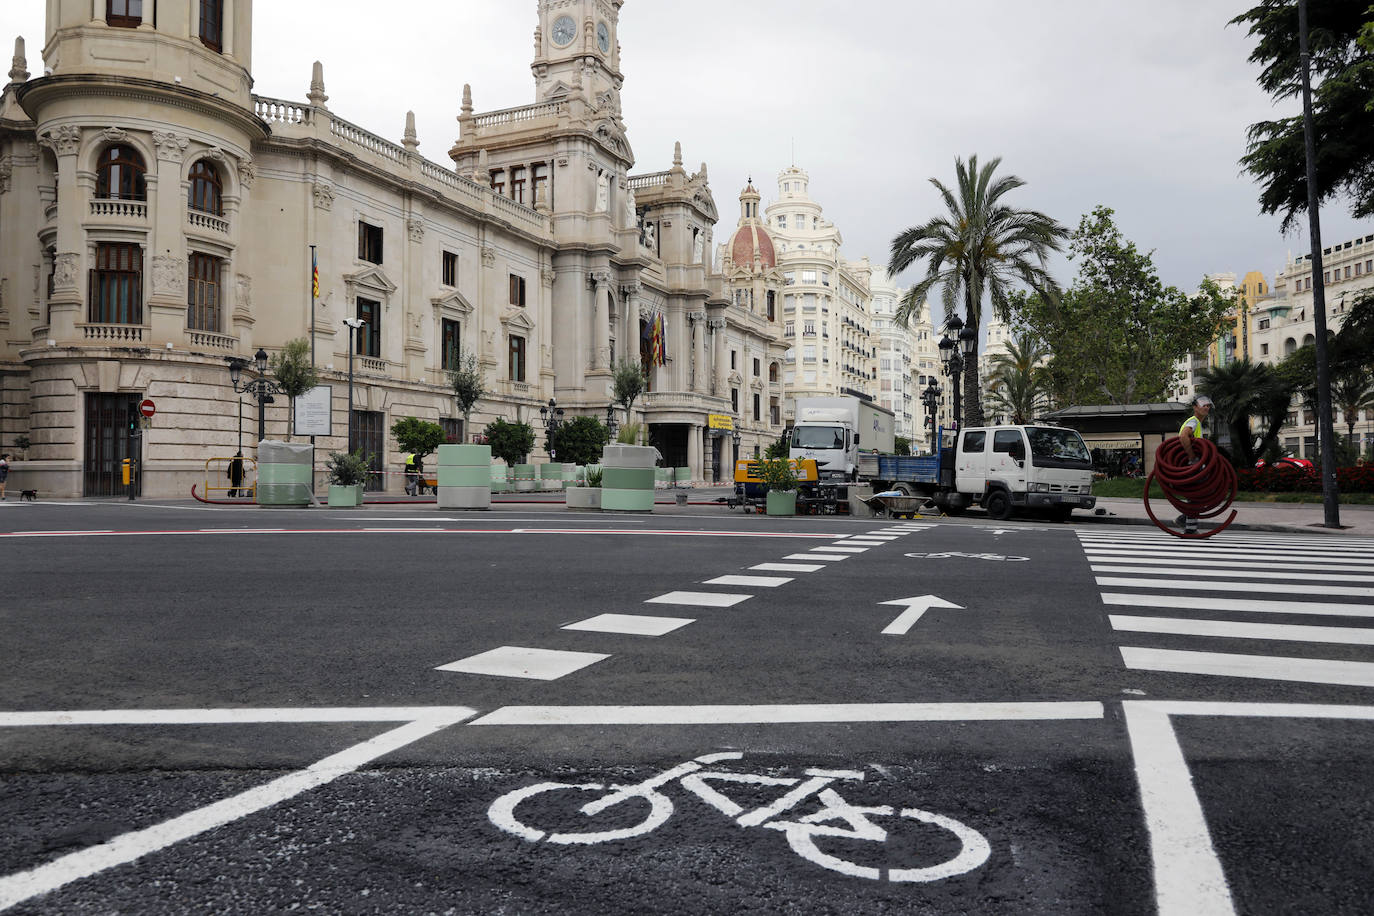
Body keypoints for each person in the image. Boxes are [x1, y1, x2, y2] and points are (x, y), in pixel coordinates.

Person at [1175, 395, 1212, 533]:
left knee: (1198, 496)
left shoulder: (1196, 422)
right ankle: (1189, 527)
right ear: (1195, 407)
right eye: (1203, 404)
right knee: (1199, 494)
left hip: (1190, 465)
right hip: (1190, 465)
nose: (1206, 407)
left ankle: (1185, 520)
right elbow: (1184, 436)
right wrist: (1192, 458)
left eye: (1208, 405)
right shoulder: (1194, 421)